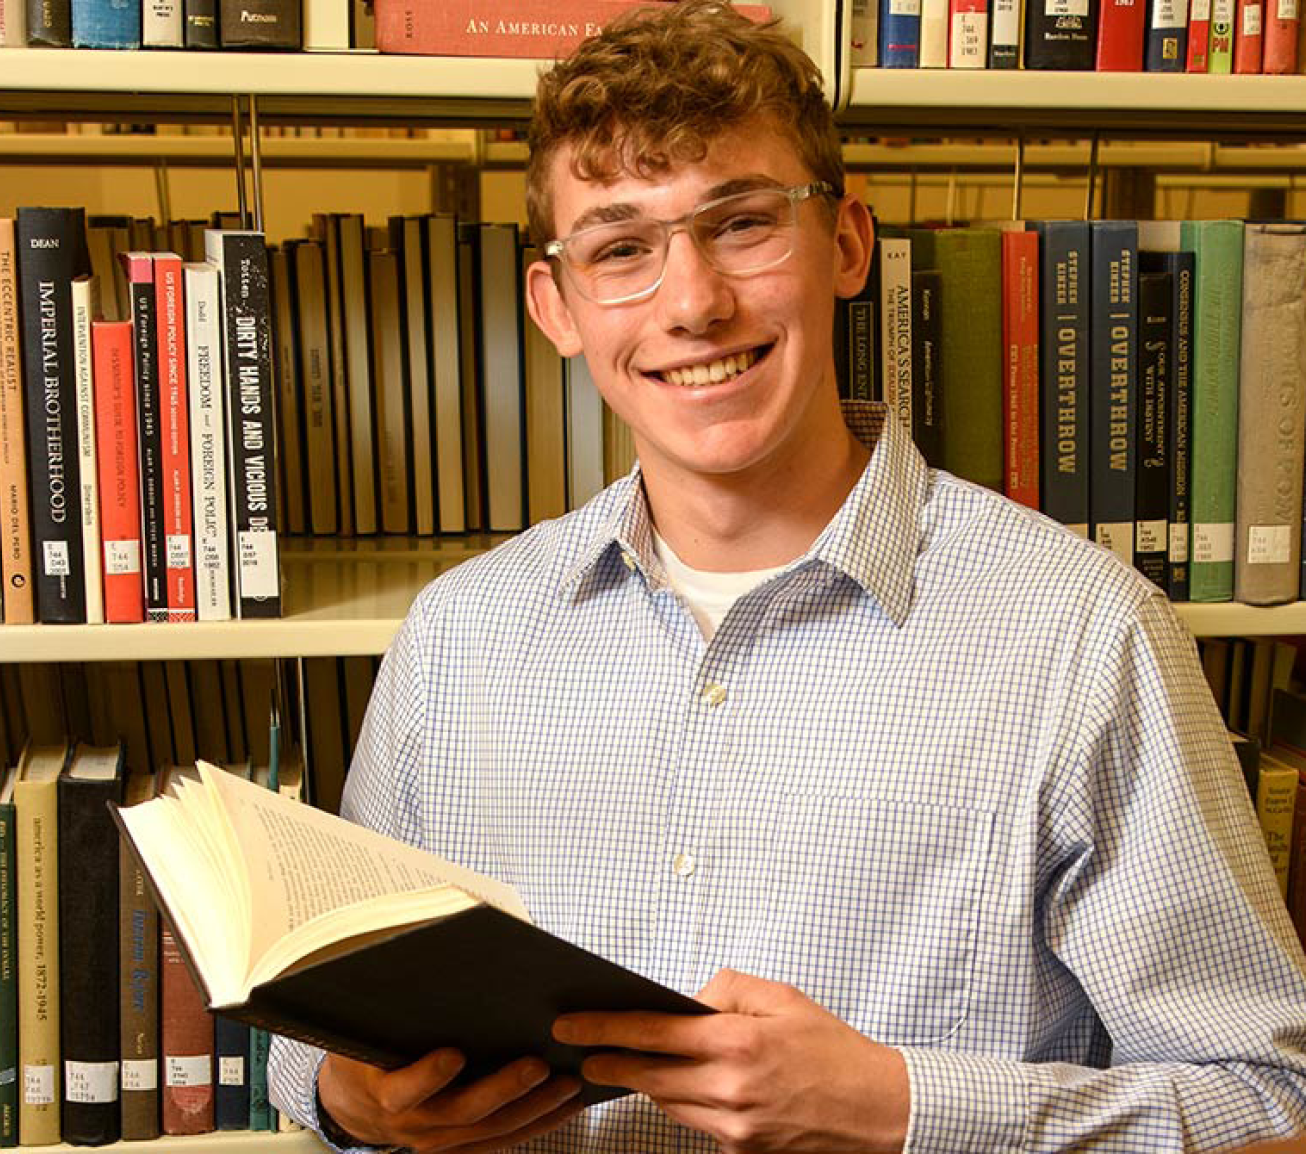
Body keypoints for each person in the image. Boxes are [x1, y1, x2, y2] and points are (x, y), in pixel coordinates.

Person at [267, 2, 1306, 1150]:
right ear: (555, 307)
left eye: (744, 223)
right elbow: (325, 1034)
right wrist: (344, 1097)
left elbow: (1269, 1099)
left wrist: (902, 1108)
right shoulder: (457, 636)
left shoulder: (1082, 633)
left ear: (847, 244)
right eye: (620, 248)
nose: (692, 302)